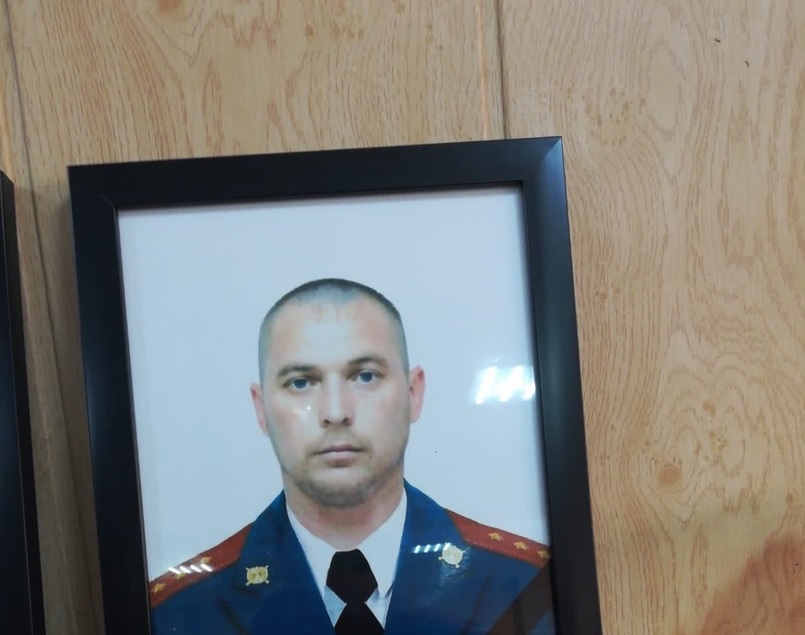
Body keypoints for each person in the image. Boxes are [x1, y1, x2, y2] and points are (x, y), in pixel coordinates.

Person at [148, 278, 555, 635]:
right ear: (261, 409)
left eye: (365, 376)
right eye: (301, 382)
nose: (336, 411)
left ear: (413, 394)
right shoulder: (178, 610)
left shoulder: (529, 584)